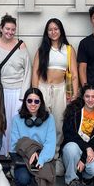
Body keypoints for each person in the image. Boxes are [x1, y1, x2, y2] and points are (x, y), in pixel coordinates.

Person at [0, 14, 32, 156]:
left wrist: (24, 95)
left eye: (13, 29)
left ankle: (14, 153)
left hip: (18, 90)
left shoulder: (21, 45)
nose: (10, 32)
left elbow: (28, 70)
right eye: (7, 28)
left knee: (15, 123)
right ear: (1, 28)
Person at [32, 18, 79, 175]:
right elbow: (35, 73)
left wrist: (74, 95)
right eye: (50, 29)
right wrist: (34, 93)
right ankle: (39, 156)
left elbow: (74, 75)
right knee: (41, 123)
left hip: (60, 90)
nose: (53, 32)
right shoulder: (41, 50)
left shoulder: (68, 49)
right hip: (43, 89)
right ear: (47, 32)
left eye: (56, 29)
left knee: (58, 125)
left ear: (61, 30)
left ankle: (55, 157)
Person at [10, 88, 56, 186]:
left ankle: (39, 182)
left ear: (41, 103)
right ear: (25, 102)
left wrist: (40, 157)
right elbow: (14, 144)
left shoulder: (49, 119)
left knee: (43, 172)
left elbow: (50, 143)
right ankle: (23, 185)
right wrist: (31, 151)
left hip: (42, 155)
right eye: (29, 101)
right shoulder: (16, 119)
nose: (33, 104)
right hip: (24, 156)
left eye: (36, 101)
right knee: (23, 178)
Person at [61, 84, 94, 186]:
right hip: (75, 147)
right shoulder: (74, 110)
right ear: (83, 97)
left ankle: (86, 176)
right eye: (87, 96)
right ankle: (71, 180)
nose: (90, 100)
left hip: (92, 150)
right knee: (71, 148)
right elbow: (69, 134)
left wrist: (84, 159)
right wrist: (87, 148)